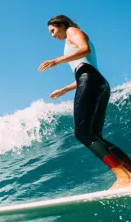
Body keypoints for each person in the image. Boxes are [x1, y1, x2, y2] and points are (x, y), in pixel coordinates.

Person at [39, 15, 131, 189]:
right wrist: (65, 89)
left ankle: (123, 177)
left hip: (91, 79)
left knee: (82, 133)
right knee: (95, 136)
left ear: (62, 25)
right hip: (96, 81)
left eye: (53, 30)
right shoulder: (71, 42)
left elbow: (85, 49)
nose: (52, 35)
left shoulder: (73, 31)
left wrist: (56, 60)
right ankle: (129, 171)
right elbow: (86, 69)